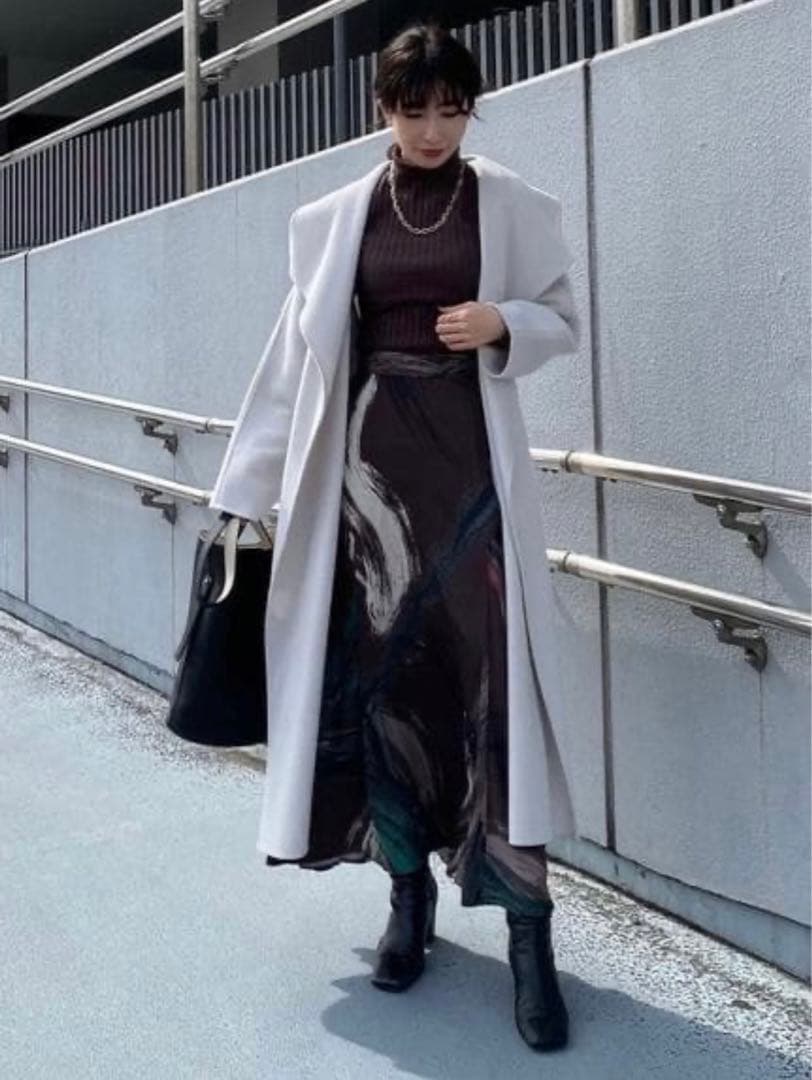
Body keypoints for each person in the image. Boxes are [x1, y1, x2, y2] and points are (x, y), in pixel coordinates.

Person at [209, 20, 579, 1054]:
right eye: (413, 110)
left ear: (470, 109)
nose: (432, 130)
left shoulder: (509, 202)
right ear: (381, 108)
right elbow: (295, 364)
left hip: (470, 485)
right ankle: (406, 899)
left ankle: (529, 934)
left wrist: (502, 323)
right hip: (365, 494)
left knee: (490, 699)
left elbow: (561, 315)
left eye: (451, 110)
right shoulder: (337, 217)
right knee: (383, 699)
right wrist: (246, 491)